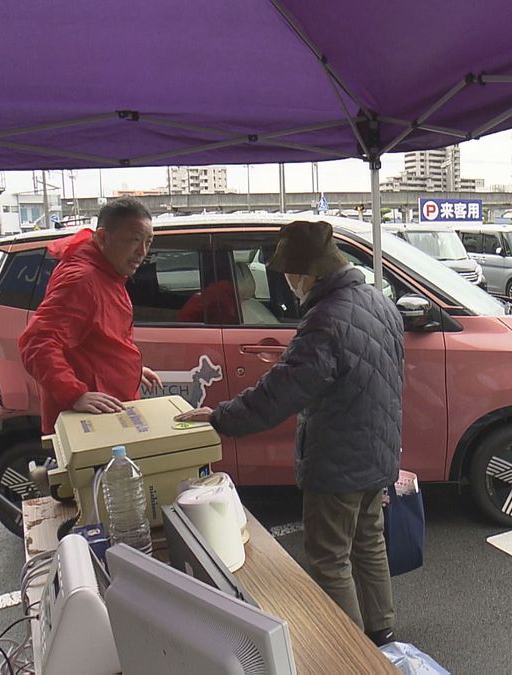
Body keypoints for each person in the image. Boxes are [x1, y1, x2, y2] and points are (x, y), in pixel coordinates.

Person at [176, 220, 404, 647]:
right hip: (380, 448)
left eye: (288, 274)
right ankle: (382, 630)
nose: (287, 282)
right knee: (368, 541)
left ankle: (349, 651)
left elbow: (279, 393)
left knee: (329, 558)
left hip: (338, 457)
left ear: (306, 273)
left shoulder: (325, 320)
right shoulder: (378, 302)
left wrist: (220, 417)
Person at [19, 198, 160, 433]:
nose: (142, 252)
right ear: (103, 238)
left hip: (110, 410)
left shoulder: (107, 272)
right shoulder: (83, 279)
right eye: (135, 240)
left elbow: (97, 337)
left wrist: (128, 370)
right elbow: (37, 342)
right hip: (92, 423)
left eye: (148, 241)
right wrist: (74, 394)